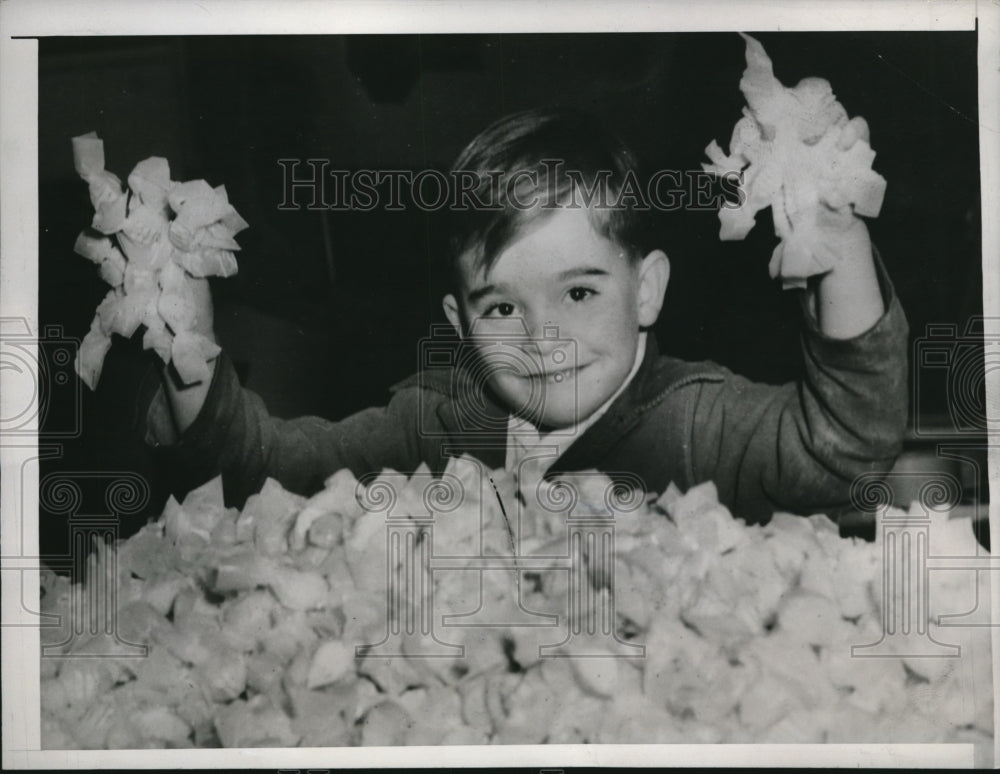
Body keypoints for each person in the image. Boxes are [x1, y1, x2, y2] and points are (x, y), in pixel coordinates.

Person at [138, 107, 908, 524]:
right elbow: (255, 476)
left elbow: (845, 445)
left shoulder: (701, 421)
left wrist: (839, 244)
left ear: (646, 290)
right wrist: (186, 339)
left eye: (579, 293)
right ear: (459, 321)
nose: (542, 341)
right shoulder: (435, 428)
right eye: (503, 306)